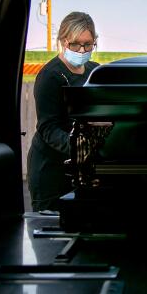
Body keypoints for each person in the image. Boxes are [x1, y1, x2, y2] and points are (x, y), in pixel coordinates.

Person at [27, 12, 100, 213]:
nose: (82, 50)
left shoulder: (96, 71)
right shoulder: (50, 76)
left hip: (83, 168)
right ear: (63, 41)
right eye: (76, 44)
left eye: (88, 44)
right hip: (51, 169)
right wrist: (80, 149)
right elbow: (48, 128)